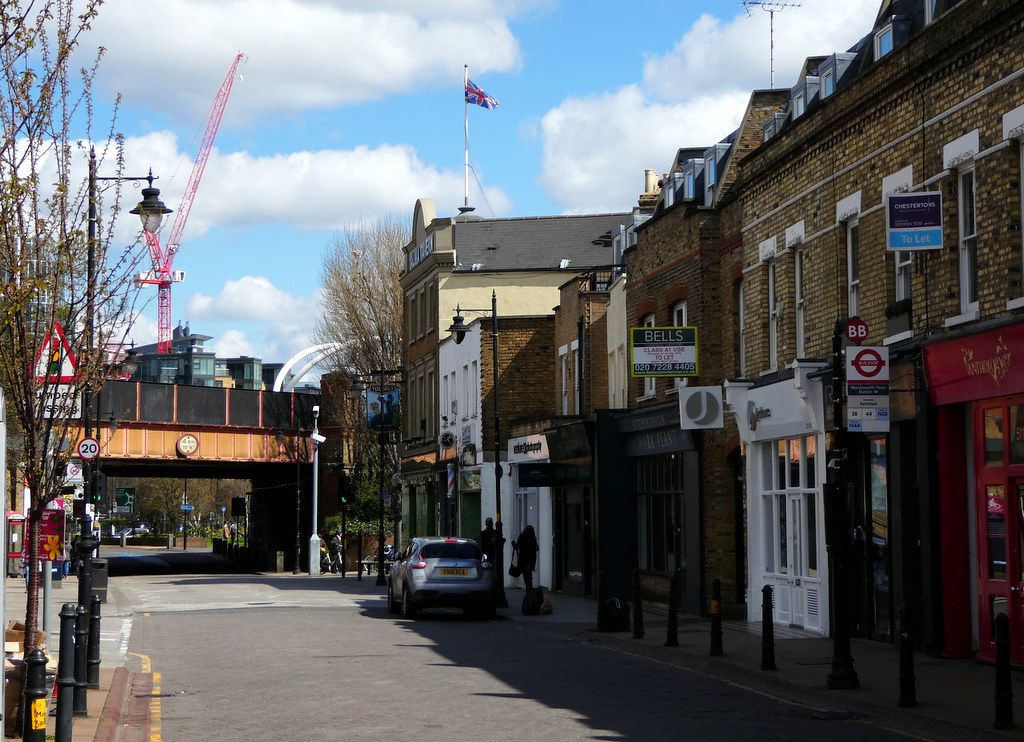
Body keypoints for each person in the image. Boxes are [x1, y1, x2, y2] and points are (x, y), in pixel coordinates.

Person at [512, 525, 539, 590]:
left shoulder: (522, 537)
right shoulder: (533, 538)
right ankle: (530, 591)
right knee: (529, 576)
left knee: (525, 576)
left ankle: (528, 592)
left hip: (523, 560)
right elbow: (536, 548)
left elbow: (517, 547)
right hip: (531, 561)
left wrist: (513, 543)